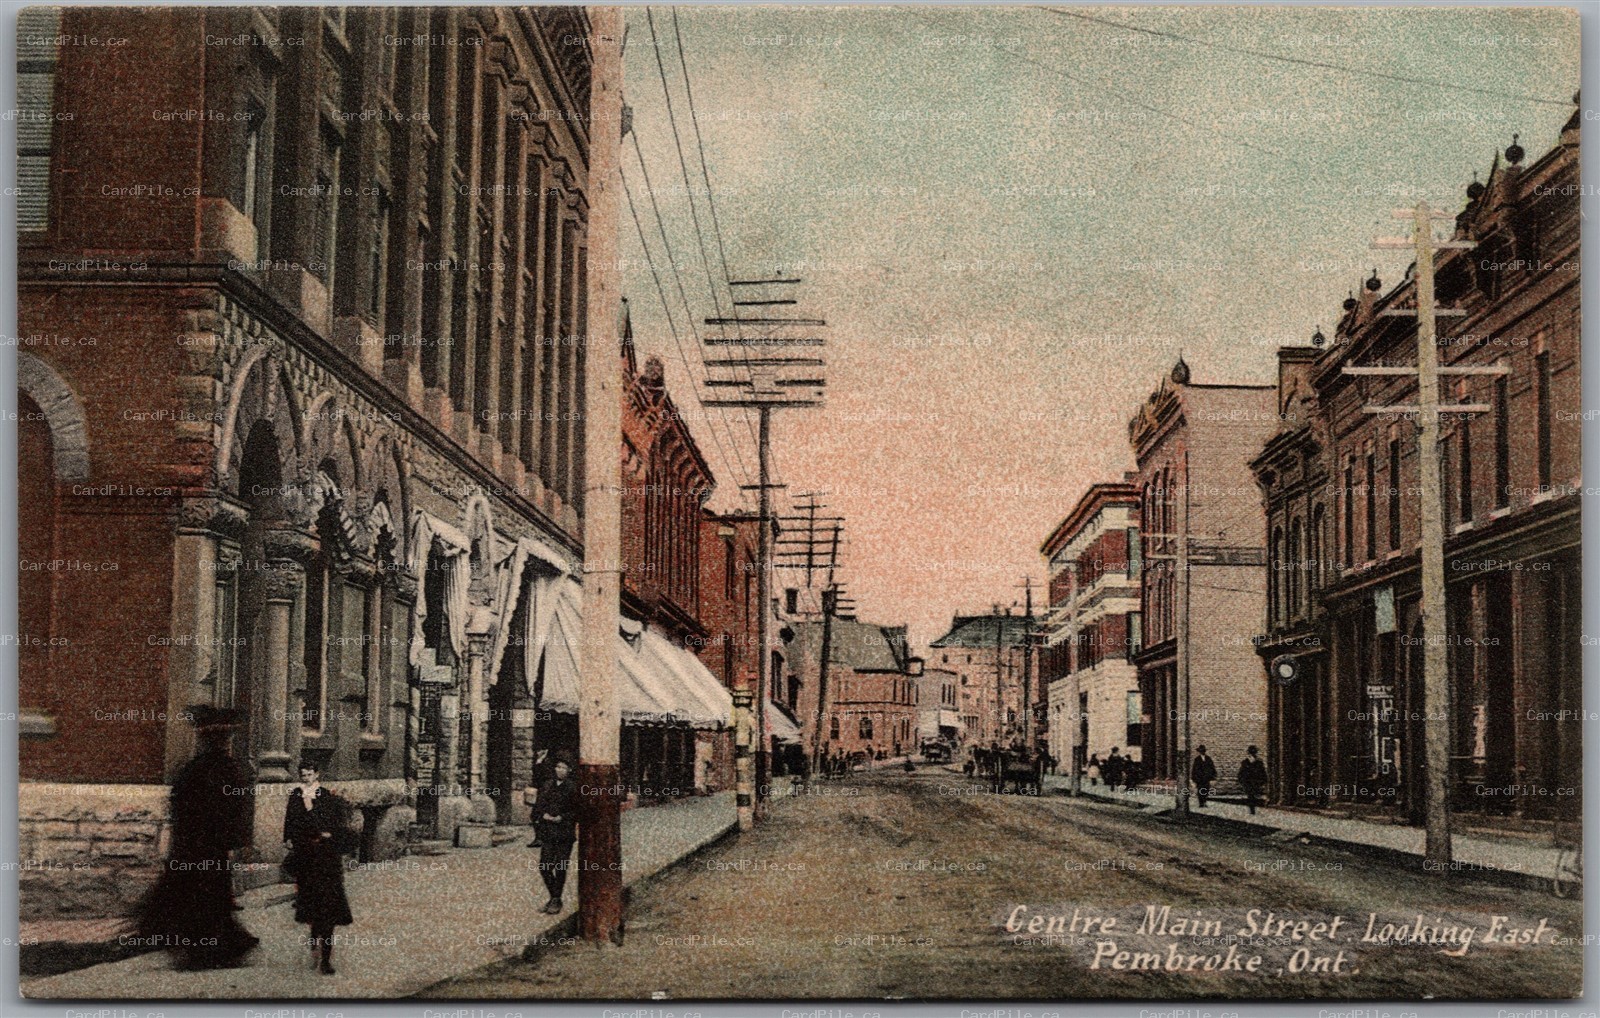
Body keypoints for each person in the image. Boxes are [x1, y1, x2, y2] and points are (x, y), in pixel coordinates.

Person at [130, 705, 259, 970]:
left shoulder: (190, 770)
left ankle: (198, 947)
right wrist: (235, 843)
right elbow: (234, 810)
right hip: (210, 849)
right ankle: (209, 949)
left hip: (190, 848)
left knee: (192, 895)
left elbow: (179, 809)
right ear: (222, 740)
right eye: (223, 738)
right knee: (209, 898)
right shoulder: (227, 769)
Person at [283, 759, 355, 975]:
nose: (306, 779)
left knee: (329, 910)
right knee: (313, 907)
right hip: (307, 861)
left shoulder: (327, 797)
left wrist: (313, 814)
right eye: (303, 775)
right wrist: (288, 838)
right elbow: (290, 821)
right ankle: (315, 940)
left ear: (317, 774)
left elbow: (335, 826)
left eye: (309, 775)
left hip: (327, 862)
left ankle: (326, 959)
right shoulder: (296, 795)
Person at [534, 755, 578, 914]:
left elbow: (577, 811)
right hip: (548, 832)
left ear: (569, 770)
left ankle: (555, 900)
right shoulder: (547, 785)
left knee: (560, 866)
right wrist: (543, 815)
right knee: (545, 867)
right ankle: (555, 897)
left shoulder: (573, 788)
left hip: (564, 833)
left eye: (563, 768)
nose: (559, 770)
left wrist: (563, 817)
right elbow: (539, 805)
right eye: (558, 767)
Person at [525, 746, 555, 848]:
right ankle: (541, 838)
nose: (537, 752)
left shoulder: (546, 762)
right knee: (539, 816)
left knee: (536, 815)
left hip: (545, 795)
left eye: (540, 750)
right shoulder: (541, 761)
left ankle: (540, 839)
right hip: (543, 793)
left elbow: (542, 778)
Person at [1239, 745, 1268, 815]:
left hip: (1252, 782)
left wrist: (1241, 781)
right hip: (1252, 782)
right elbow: (1263, 772)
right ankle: (1252, 810)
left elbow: (1241, 773)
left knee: (1252, 796)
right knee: (1252, 796)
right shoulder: (1257, 762)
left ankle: (1252, 809)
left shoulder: (1246, 762)